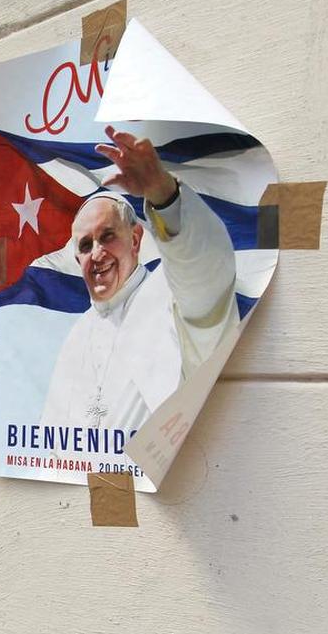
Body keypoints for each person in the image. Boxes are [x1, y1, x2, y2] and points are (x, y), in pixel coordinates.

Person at [40, 126, 239, 434]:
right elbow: (51, 440)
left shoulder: (168, 292)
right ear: (77, 259)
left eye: (108, 237)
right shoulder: (76, 335)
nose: (97, 254)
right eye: (85, 245)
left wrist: (163, 194)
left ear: (135, 239)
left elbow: (205, 274)